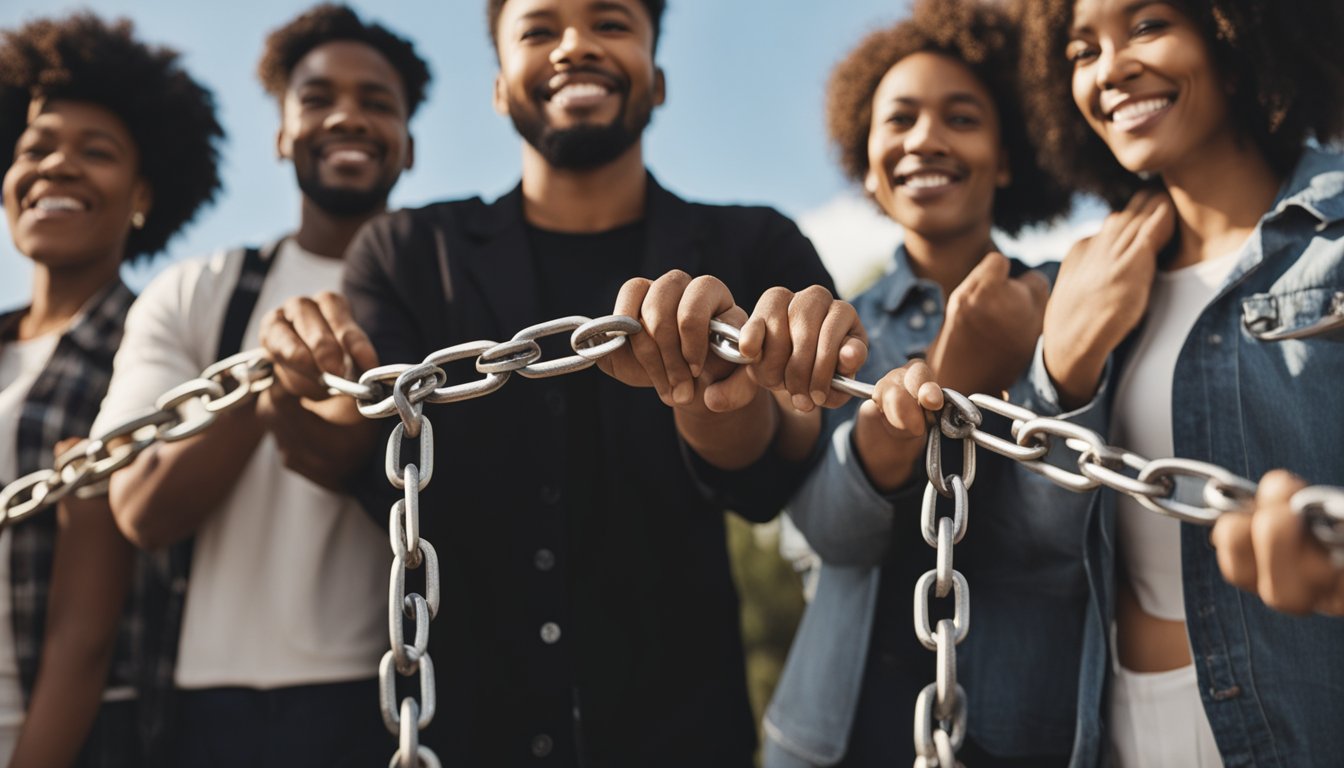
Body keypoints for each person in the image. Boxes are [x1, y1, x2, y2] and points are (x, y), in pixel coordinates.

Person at [257, 0, 866, 764]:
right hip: (460, 731)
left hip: (680, 734)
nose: (574, 46)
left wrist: (716, 400)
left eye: (611, 24)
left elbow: (778, 469)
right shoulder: (408, 252)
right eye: (539, 30)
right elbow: (351, 445)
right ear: (498, 86)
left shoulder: (753, 245)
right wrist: (297, 379)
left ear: (660, 79)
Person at [90, 5, 428, 765]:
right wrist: (270, 382)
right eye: (316, 98)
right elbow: (138, 507)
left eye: (377, 102)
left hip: (386, 690)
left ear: (409, 144)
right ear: (281, 133)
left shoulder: (447, 297)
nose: (347, 116)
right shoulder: (197, 292)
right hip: (204, 700)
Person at [1017, 0, 1344, 764]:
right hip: (1127, 722)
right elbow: (1035, 537)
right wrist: (1061, 368)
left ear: (1233, 36)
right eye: (1080, 50)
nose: (1110, 69)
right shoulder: (1082, 280)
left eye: (1147, 26)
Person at [761, 2, 1081, 766]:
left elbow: (1074, 535)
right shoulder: (831, 331)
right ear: (869, 166)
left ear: (1007, 156)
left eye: (961, 117)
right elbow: (816, 536)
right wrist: (944, 383)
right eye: (898, 120)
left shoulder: (1072, 308)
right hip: (838, 737)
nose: (925, 139)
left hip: (1024, 734)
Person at [0, 13, 222, 767]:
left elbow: (84, 635)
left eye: (95, 153)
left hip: (67, 737)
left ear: (141, 196)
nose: (57, 167)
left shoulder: (149, 352)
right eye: (35, 149)